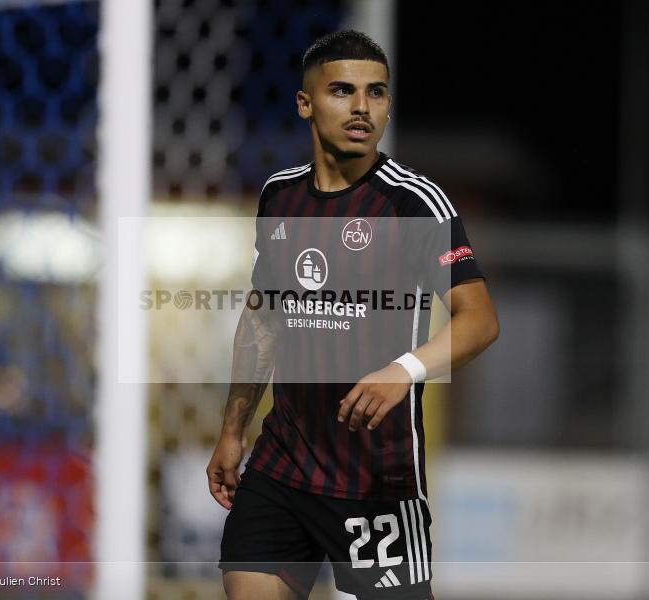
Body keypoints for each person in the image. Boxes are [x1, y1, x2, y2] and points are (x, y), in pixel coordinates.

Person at [207, 30, 499, 600]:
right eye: (342, 90)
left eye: (376, 92)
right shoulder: (279, 197)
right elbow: (263, 318)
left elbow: (480, 319)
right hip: (282, 467)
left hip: (376, 480)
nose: (362, 106)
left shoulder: (413, 204)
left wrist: (403, 371)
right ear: (305, 103)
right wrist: (232, 431)